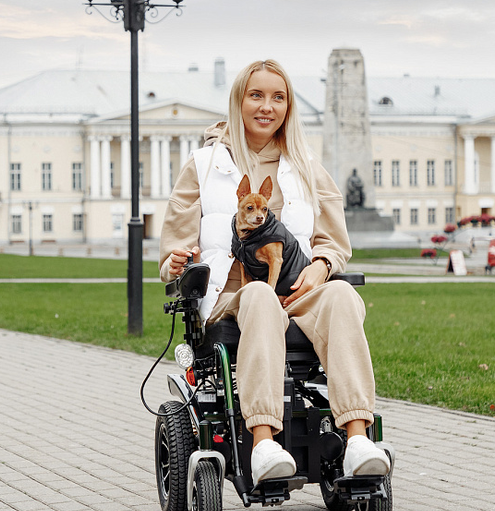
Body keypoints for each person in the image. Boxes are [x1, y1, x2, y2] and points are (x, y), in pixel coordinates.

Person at [159, 60, 390, 485]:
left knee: (342, 296)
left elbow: (333, 242)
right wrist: (176, 261)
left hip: (299, 292)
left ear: (289, 106)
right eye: (257, 95)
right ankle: (263, 443)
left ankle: (357, 439)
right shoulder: (204, 164)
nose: (267, 106)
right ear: (238, 101)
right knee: (261, 296)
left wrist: (322, 267)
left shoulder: (305, 164)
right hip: (232, 299)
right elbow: (174, 247)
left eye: (278, 97)